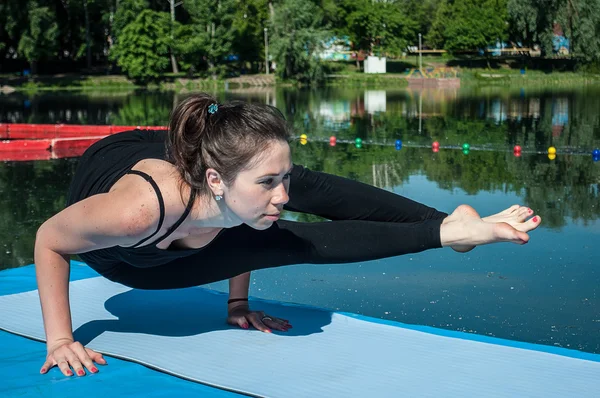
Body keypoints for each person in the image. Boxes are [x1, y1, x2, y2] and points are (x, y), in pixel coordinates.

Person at [34, 93, 541, 378]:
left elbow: (240, 216)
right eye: (268, 183)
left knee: (294, 194)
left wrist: (238, 305)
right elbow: (48, 239)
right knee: (280, 236)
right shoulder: (138, 212)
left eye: (281, 179)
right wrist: (60, 340)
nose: (281, 194)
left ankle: (450, 225)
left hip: (206, 191)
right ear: (214, 180)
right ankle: (446, 231)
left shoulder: (236, 195)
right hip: (128, 257)